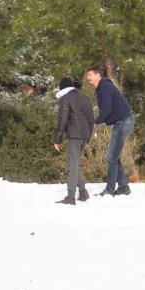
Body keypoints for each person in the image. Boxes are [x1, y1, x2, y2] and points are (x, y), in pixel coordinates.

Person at [85, 65, 134, 196]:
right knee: (113, 155)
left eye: (89, 75)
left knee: (111, 156)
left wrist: (95, 122)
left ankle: (109, 189)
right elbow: (107, 110)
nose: (87, 78)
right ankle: (123, 186)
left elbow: (105, 110)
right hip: (121, 121)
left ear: (97, 75)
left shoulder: (105, 87)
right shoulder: (102, 87)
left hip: (124, 121)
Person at [53, 77, 94, 205]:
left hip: (74, 136)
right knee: (74, 163)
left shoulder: (66, 98)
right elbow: (91, 119)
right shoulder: (84, 98)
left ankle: (71, 197)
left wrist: (57, 139)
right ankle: (83, 192)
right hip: (84, 136)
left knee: (72, 165)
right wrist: (88, 137)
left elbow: (63, 121)